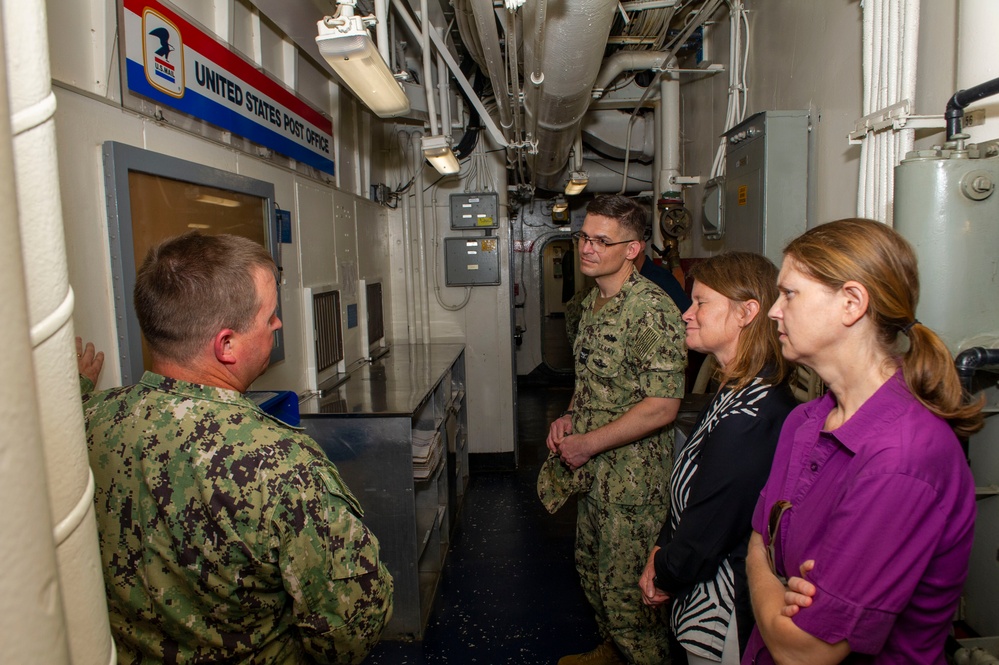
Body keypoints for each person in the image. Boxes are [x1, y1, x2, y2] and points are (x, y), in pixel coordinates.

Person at [79, 232, 393, 665]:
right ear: (227, 345)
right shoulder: (281, 465)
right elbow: (354, 626)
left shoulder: (90, 424)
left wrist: (72, 388)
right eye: (270, 317)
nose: (278, 324)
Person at [742, 218, 982, 664]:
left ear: (851, 303)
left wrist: (766, 581)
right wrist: (775, 585)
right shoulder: (804, 421)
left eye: (789, 293)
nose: (774, 310)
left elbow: (806, 652)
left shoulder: (903, 456)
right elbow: (761, 537)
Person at [637, 252, 796, 665]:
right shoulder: (732, 391)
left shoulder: (750, 416)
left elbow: (712, 523)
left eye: (701, 302)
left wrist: (665, 572)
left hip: (720, 611)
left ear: (747, 312)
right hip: (692, 586)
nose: (687, 314)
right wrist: (660, 550)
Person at [547, 195, 686, 665]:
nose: (587, 248)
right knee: (592, 573)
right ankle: (612, 651)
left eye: (601, 241)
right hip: (594, 477)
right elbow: (591, 380)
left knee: (631, 595)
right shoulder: (594, 303)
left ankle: (641, 656)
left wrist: (587, 443)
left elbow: (662, 406)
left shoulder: (649, 310)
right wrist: (570, 416)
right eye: (585, 237)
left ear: (632, 249)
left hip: (633, 485)